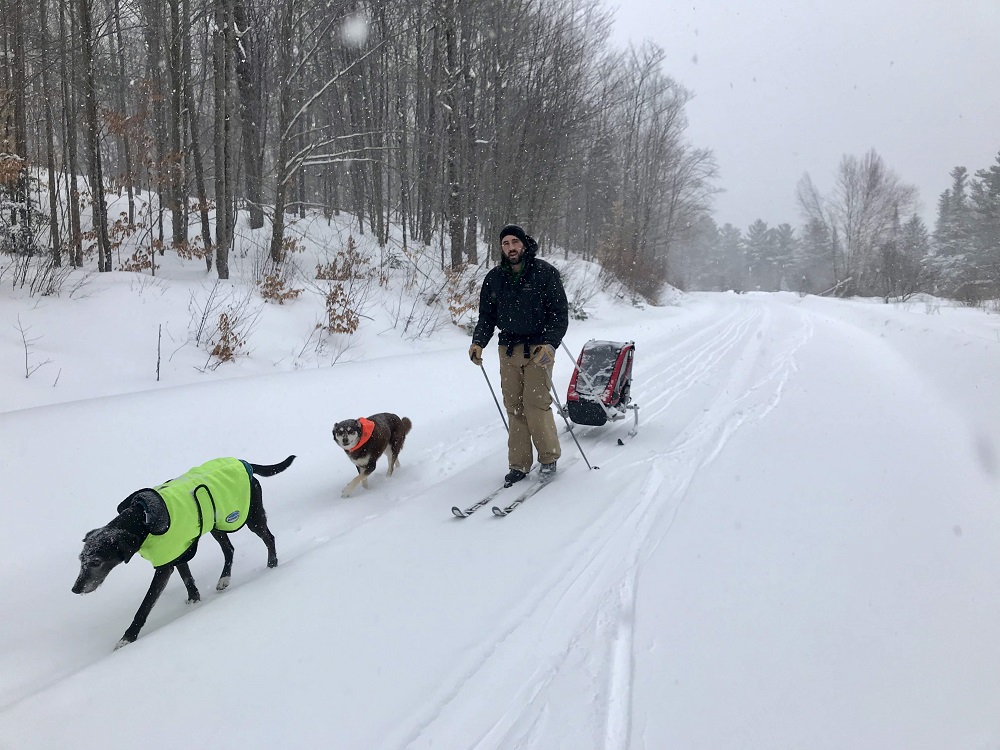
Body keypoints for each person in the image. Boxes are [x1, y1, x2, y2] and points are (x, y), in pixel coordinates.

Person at [469, 224, 569, 485]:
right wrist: (478, 342)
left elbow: (559, 314)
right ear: (501, 248)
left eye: (515, 242)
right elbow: (487, 317)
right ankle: (519, 464)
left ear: (524, 244)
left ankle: (548, 459)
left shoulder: (544, 273)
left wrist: (550, 344)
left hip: (540, 349)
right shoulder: (494, 278)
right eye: (505, 243)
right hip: (508, 349)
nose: (511, 247)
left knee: (536, 404)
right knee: (514, 407)